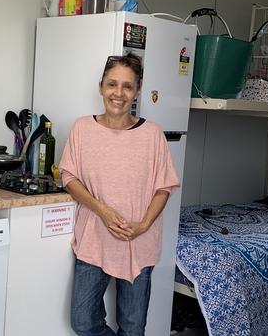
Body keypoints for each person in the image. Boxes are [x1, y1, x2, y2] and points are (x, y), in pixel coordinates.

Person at [59, 53, 180, 336]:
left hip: (138, 242)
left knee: (133, 327)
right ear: (101, 86)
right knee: (83, 321)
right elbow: (69, 177)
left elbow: (164, 187)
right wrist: (102, 210)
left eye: (127, 86)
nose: (118, 93)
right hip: (94, 239)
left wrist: (143, 225)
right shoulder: (82, 128)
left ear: (137, 89)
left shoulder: (152, 134)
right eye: (112, 84)